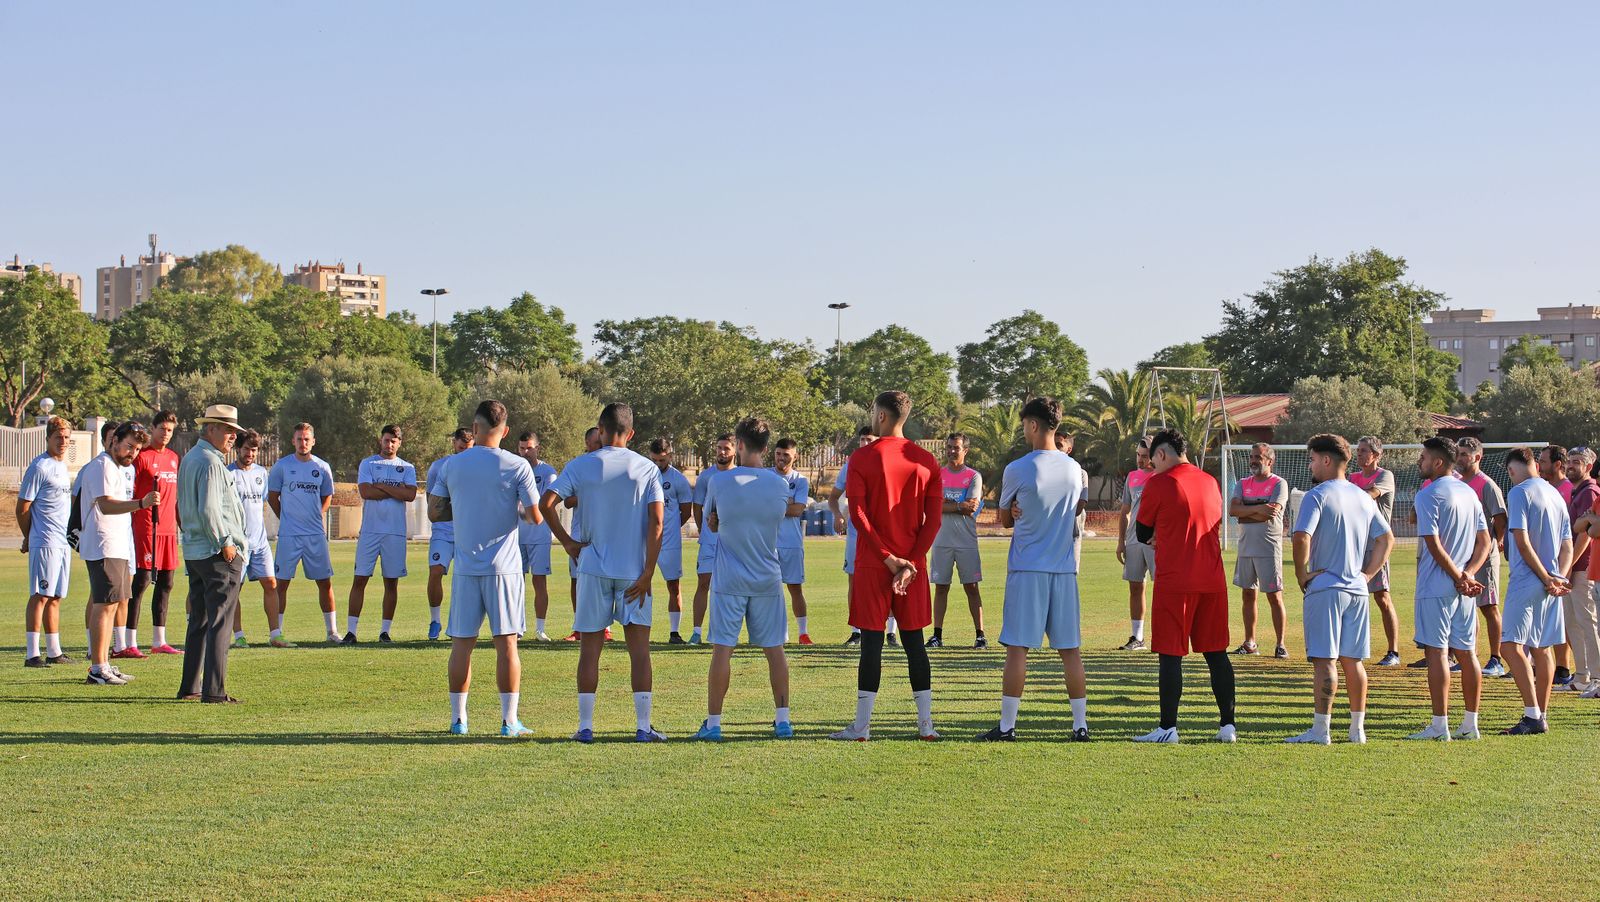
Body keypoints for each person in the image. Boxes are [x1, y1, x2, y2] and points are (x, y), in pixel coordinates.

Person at [542, 403, 667, 743]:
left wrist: (568, 542)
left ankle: (585, 727)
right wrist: (648, 572)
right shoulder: (646, 467)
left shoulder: (582, 465)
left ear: (599, 429)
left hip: (593, 567)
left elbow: (546, 503)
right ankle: (643, 727)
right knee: (639, 650)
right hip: (633, 572)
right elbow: (657, 522)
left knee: (590, 650)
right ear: (632, 433)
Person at [829, 391, 943, 742]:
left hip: (873, 563)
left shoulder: (862, 458)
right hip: (912, 565)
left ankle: (862, 727)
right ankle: (926, 726)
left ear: (880, 416)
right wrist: (911, 563)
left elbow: (859, 515)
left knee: (872, 645)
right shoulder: (926, 460)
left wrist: (887, 558)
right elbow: (934, 520)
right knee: (914, 643)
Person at [430, 400, 542, 737]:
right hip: (504, 570)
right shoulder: (517, 465)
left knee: (461, 645)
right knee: (507, 645)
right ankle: (509, 721)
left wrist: (463, 512)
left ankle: (459, 719)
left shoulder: (452, 465)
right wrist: (515, 511)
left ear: (474, 429)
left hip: (465, 566)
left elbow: (435, 512)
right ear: (505, 431)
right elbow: (535, 516)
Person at [980, 397, 1089, 741]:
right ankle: (1080, 726)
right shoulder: (1074, 469)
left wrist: (1013, 512)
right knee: (1070, 650)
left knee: (1017, 648)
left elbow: (1002, 519)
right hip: (1064, 568)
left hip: (1028, 569)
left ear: (1032, 425)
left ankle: (1008, 726)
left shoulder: (1018, 468)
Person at [1287, 434, 1394, 745]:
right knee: (1353, 661)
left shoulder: (1317, 495)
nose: (1310, 465)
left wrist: (1301, 573)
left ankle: (1321, 731)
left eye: (1311, 459)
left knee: (1325, 660)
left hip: (1327, 588)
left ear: (1326, 460)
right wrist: (1367, 575)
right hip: (1357, 590)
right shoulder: (1363, 496)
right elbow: (1386, 539)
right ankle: (1357, 730)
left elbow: (1301, 537)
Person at [693, 417, 795, 740]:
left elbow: (711, 523)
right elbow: (775, 519)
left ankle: (714, 723)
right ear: (766, 448)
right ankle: (782, 720)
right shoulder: (780, 485)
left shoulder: (719, 482)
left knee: (723, 650)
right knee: (774, 650)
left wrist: (720, 521)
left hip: (729, 578)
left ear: (738, 444)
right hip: (766, 576)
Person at [1132, 429, 1237, 744]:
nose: (1151, 467)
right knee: (1217, 653)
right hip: (1213, 578)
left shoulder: (1159, 483)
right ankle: (1228, 726)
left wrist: (1161, 531)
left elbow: (1141, 532)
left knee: (1170, 654)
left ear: (1161, 454)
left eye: (1153, 461)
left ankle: (1167, 728)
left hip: (1176, 579)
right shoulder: (1210, 481)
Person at [1408, 436, 1492, 741]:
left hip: (1437, 585)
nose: (1420, 462)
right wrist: (1468, 574)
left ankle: (1439, 725)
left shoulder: (1428, 495)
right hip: (1463, 587)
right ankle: (1470, 724)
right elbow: (1485, 541)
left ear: (1438, 462)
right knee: (1468, 653)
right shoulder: (1469, 492)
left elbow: (1433, 543)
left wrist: (1459, 575)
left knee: (1437, 654)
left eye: (1424, 457)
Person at [176, 404, 249, 703]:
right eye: (228, 430)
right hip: (216, 551)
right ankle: (214, 691)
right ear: (211, 429)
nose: (233, 436)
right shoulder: (209, 462)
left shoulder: (192, 458)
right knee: (220, 622)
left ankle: (191, 687)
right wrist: (226, 543)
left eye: (234, 431)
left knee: (200, 621)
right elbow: (210, 509)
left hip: (195, 550)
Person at [1500, 446, 1572, 734]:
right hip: (1552, 582)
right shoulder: (1555, 492)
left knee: (1509, 646)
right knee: (1542, 648)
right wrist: (1559, 577)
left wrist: (1545, 577)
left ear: (1511, 470)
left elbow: (1521, 540)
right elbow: (1568, 543)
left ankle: (1532, 715)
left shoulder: (1519, 492)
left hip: (1529, 580)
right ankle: (1540, 715)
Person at [80, 421, 155, 685]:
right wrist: (141, 504)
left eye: (136, 449)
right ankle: (97, 668)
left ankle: (105, 663)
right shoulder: (102, 466)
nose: (132, 453)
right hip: (103, 544)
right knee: (104, 604)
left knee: (114, 604)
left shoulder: (118, 468)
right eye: (128, 446)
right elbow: (106, 506)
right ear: (114, 441)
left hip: (118, 544)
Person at [345, 425, 418, 644]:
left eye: (394, 441)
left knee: (391, 583)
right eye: (386, 440)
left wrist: (383, 487)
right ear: (381, 440)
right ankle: (351, 632)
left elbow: (411, 494)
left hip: (395, 533)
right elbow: (366, 492)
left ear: (399, 443)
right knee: (360, 580)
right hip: (370, 531)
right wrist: (396, 491)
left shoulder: (407, 467)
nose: (390, 445)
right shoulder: (368, 463)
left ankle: (385, 632)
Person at [268, 423, 339, 644]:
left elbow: (327, 495)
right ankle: (277, 632)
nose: (303, 443)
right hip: (289, 535)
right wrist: (287, 519)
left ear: (313, 441)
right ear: (293, 441)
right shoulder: (281, 466)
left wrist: (318, 514)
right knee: (281, 583)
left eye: (307, 439)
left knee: (324, 582)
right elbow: (273, 497)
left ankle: (332, 632)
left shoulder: (322, 467)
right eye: (299, 439)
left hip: (315, 535)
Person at [18, 416, 75, 668]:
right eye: (58, 437)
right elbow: (23, 507)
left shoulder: (62, 466)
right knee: (40, 594)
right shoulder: (39, 467)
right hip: (45, 541)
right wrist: (28, 536)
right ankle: (32, 654)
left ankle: (54, 650)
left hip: (62, 542)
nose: (62, 442)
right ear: (48, 438)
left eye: (66, 438)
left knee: (55, 596)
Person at [1229, 443, 1290, 658]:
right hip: (1245, 548)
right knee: (1248, 595)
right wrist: (1258, 509)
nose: (1253, 460)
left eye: (1259, 457)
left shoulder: (1279, 484)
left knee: (1274, 596)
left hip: (1269, 549)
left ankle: (1280, 644)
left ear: (1270, 461)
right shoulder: (1242, 483)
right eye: (1252, 456)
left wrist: (1246, 512)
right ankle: (1250, 643)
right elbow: (1233, 510)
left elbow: (1270, 515)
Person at [128, 409, 181, 656]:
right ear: (153, 428)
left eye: (170, 430)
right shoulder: (142, 457)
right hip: (147, 528)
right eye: (162, 429)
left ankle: (159, 641)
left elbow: (176, 498)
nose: (166, 434)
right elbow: (130, 493)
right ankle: (129, 641)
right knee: (141, 583)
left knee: (166, 583)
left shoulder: (173, 458)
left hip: (169, 530)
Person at [1455, 437, 1509, 678]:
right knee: (1467, 606)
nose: (1460, 457)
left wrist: (1496, 543)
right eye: (1458, 453)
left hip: (1484, 556)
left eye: (1465, 453)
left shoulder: (1486, 485)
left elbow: (1500, 518)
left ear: (1477, 457)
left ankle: (1496, 659)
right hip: (1465, 556)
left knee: (1489, 606)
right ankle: (1470, 655)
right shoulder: (1456, 483)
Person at [229, 430, 288, 647]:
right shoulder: (229, 474)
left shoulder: (262, 473)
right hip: (238, 543)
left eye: (254, 450)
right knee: (235, 589)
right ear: (238, 449)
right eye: (246, 449)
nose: (250, 454)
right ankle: (239, 636)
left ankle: (275, 634)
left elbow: (265, 501)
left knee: (271, 584)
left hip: (260, 542)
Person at [1348, 436, 1403, 666]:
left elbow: (1369, 495)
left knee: (1382, 597)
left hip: (1377, 543)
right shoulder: (1352, 477)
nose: (1359, 455)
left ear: (1376, 455)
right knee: (1351, 596)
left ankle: (1394, 652)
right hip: (1354, 543)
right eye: (1358, 451)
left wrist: (1348, 496)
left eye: (1363, 451)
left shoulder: (1384, 476)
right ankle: (1352, 647)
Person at [929, 433, 985, 649]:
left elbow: (971, 507)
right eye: (950, 447)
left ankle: (980, 635)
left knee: (971, 587)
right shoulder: (937, 475)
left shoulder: (973, 476)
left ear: (965, 451)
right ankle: (937, 635)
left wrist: (947, 504)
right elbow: (933, 506)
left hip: (966, 542)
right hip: (941, 540)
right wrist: (957, 505)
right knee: (941, 588)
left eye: (957, 448)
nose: (952, 451)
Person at [829, 426, 880, 647]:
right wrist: (837, 515)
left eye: (869, 439)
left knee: (885, 580)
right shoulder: (850, 466)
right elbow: (833, 497)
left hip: (881, 531)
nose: (865, 443)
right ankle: (856, 630)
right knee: (854, 579)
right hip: (856, 532)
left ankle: (890, 631)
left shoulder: (884, 462)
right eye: (862, 439)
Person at [1557, 446, 1600, 693]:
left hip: (1582, 568)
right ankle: (1582, 675)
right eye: (1570, 461)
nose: (1571, 465)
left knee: (1587, 622)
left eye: (1577, 462)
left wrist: (1569, 566)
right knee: (1572, 622)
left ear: (1589, 467)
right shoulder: (1578, 491)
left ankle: (1596, 676)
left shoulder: (1589, 491)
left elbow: (1583, 534)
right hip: (1573, 568)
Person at [426, 428, 475, 641]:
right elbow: (432, 504)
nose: (464, 452)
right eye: (461, 447)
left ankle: (459, 622)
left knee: (465, 578)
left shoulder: (477, 467)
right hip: (443, 530)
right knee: (436, 571)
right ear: (454, 443)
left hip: (468, 532)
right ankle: (435, 620)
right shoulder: (438, 467)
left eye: (468, 448)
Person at [688, 433, 736, 645]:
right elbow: (697, 506)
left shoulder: (740, 476)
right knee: (703, 583)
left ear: (735, 450)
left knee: (731, 586)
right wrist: (703, 530)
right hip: (709, 542)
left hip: (733, 542)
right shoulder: (706, 477)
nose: (722, 452)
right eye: (719, 448)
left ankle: (725, 632)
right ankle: (696, 632)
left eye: (726, 448)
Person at [646, 438, 694, 644]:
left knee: (673, 586)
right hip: (645, 540)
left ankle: (674, 633)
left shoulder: (679, 480)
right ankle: (641, 629)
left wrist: (670, 528)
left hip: (670, 542)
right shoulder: (644, 476)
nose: (658, 464)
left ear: (670, 456)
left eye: (662, 460)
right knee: (641, 584)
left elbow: (685, 512)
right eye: (654, 460)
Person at [561, 426, 605, 642]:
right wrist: (587, 496)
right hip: (580, 534)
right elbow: (567, 501)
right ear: (588, 444)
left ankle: (604, 628)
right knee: (576, 580)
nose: (600, 446)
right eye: (596, 443)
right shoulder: (577, 467)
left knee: (602, 580)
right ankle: (579, 627)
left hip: (605, 533)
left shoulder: (608, 465)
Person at [514, 431, 557, 641]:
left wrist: (527, 511)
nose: (525, 452)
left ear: (537, 448)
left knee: (539, 582)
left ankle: (540, 629)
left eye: (529, 448)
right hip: (516, 536)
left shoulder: (548, 472)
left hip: (539, 535)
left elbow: (545, 504)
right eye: (522, 448)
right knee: (516, 583)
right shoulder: (513, 470)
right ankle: (517, 627)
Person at [771, 437, 813, 644]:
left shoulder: (801, 480)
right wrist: (786, 504)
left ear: (794, 456)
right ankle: (779, 633)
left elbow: (797, 510)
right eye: (778, 453)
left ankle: (803, 633)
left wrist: (776, 506)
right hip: (767, 543)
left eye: (786, 454)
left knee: (795, 588)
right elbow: (763, 506)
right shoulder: (765, 476)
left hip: (792, 543)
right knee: (770, 591)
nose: (781, 458)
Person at [1116, 436, 1156, 651]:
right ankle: (1137, 637)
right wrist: (1121, 542)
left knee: (1163, 589)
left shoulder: (1162, 476)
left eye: (1145, 456)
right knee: (1135, 587)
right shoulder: (1132, 477)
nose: (1140, 460)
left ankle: (1163, 634)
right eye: (1138, 456)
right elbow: (1125, 512)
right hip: (1133, 541)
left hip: (1156, 542)